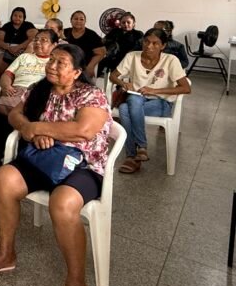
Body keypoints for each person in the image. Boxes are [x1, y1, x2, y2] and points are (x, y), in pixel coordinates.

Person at [0, 44, 113, 286]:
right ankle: (6, 254)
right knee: (5, 177)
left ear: (77, 72)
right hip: (45, 157)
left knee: (62, 203)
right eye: (51, 60)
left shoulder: (91, 95)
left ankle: (76, 283)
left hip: (83, 165)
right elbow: (15, 115)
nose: (52, 66)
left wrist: (37, 128)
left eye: (61, 63)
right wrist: (31, 131)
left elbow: (83, 130)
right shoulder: (40, 88)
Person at [0, 29, 58, 186]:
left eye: (44, 40)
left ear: (54, 45)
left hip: (38, 95)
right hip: (16, 92)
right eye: (36, 40)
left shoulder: (54, 63)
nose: (38, 43)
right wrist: (6, 86)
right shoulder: (24, 57)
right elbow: (7, 74)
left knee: (32, 119)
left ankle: (22, 165)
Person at [110, 28, 191, 173]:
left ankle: (133, 154)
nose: (149, 46)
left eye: (155, 43)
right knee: (132, 101)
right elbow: (113, 76)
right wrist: (123, 83)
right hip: (136, 100)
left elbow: (185, 88)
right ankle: (140, 150)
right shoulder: (132, 56)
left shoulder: (171, 60)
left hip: (161, 103)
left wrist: (154, 91)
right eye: (146, 42)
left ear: (163, 46)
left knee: (125, 108)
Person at [0, 7, 37, 77]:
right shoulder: (6, 26)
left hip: (24, 50)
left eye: (20, 16)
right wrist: (9, 48)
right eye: (15, 15)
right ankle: (3, 81)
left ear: (24, 18)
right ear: (12, 16)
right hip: (7, 49)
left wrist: (18, 47)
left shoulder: (28, 25)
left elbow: (33, 38)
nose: (17, 18)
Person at [98, 12, 143, 76]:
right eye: (123, 22)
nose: (126, 24)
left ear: (133, 23)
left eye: (128, 22)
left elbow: (139, 48)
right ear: (120, 23)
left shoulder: (138, 34)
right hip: (111, 58)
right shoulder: (115, 31)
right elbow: (104, 42)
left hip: (128, 60)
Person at [64, 10, 105, 78]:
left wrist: (91, 66)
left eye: (81, 19)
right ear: (71, 20)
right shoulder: (64, 32)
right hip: (65, 68)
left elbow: (101, 53)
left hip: (84, 69)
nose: (78, 21)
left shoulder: (91, 35)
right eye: (76, 19)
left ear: (85, 21)